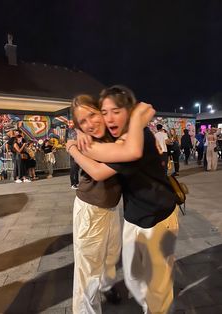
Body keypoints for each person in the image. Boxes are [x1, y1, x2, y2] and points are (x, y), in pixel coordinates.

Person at [67, 86, 179, 314]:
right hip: (93, 209)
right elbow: (99, 169)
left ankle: (121, 293)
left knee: (121, 267)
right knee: (89, 269)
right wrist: (75, 142)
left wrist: (138, 117)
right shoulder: (97, 140)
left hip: (136, 214)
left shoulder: (124, 138)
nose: (95, 121)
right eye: (83, 121)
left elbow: (131, 149)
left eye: (94, 114)